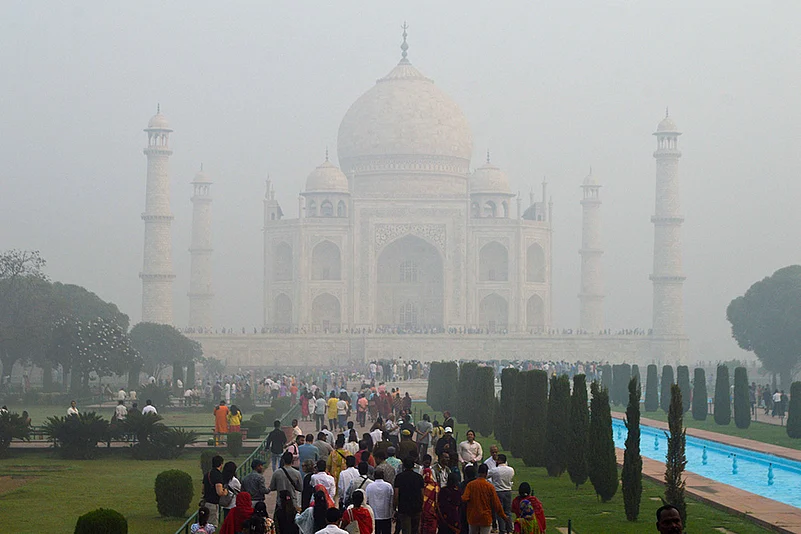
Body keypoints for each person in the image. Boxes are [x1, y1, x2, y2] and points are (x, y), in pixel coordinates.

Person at [461, 464, 506, 534]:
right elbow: (497, 504)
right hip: (485, 518)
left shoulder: (470, 485)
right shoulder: (490, 487)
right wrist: (504, 516)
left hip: (473, 517)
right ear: (486, 473)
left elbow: (464, 498)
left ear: (478, 472)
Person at [394, 457, 425, 534]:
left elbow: (396, 494)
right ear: (413, 466)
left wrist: (395, 507)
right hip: (416, 507)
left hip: (404, 508)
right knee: (415, 530)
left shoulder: (399, 477)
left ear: (404, 466)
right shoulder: (419, 477)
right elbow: (422, 494)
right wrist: (421, 506)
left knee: (406, 530)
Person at [488, 455, 513, 534]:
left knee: (499, 512)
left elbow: (487, 475)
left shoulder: (495, 470)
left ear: (499, 461)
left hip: (498, 491)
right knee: (508, 511)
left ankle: (502, 530)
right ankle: (509, 529)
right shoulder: (511, 470)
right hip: (508, 491)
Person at [203, 455, 229, 527]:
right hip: (213, 504)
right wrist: (225, 492)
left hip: (206, 503)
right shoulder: (218, 475)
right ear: (221, 464)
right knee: (212, 526)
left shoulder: (207, 474)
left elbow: (203, 490)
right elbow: (219, 492)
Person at [366, 469, 394, 534]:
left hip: (374, 516)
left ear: (374, 476)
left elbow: (366, 500)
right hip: (386, 515)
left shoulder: (369, 486)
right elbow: (391, 500)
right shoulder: (388, 486)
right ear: (383, 476)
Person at [421, 467, 439, 534]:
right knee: (431, 528)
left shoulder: (421, 485)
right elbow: (437, 500)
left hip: (422, 511)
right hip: (432, 511)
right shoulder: (435, 485)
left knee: (423, 528)